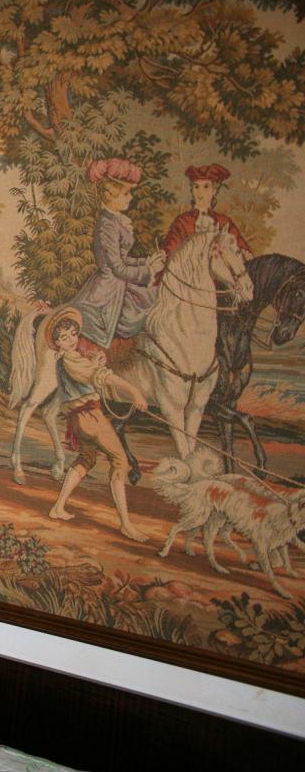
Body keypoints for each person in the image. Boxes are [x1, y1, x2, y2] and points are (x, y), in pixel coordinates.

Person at [45, 308, 150, 542]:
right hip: (90, 417)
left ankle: (58, 507)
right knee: (120, 460)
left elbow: (85, 376)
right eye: (64, 337)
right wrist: (134, 391)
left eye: (73, 334)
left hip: (77, 419)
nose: (71, 340)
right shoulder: (70, 359)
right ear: (56, 342)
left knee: (86, 459)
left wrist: (94, 362)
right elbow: (99, 377)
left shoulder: (65, 360)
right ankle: (126, 524)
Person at [69, 158, 166, 352]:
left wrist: (147, 261)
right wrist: (148, 270)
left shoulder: (116, 221)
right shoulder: (107, 225)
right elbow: (118, 269)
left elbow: (122, 259)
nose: (130, 198)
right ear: (109, 196)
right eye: (126, 193)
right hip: (108, 290)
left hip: (120, 284)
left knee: (158, 298)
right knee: (146, 307)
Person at [158, 164, 251, 277]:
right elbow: (171, 250)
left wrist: (245, 253)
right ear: (192, 190)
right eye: (196, 187)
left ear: (214, 190)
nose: (200, 192)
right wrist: (164, 255)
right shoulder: (182, 221)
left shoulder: (224, 222)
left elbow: (240, 247)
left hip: (222, 279)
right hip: (190, 278)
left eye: (206, 187)